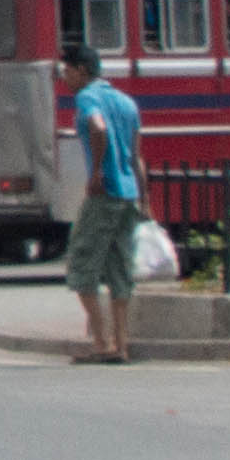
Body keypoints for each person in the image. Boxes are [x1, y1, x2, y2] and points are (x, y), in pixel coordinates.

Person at [59, 41, 143, 365]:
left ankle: (101, 343)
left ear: (82, 70)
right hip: (129, 193)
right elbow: (137, 156)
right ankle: (122, 344)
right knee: (119, 269)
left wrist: (95, 171)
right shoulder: (125, 102)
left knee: (81, 264)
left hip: (105, 192)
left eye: (67, 71)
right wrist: (144, 198)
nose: (65, 77)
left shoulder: (88, 97)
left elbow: (97, 126)